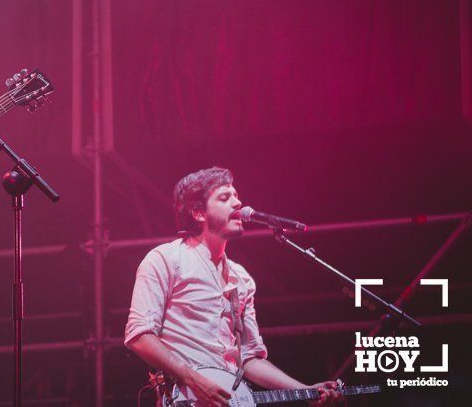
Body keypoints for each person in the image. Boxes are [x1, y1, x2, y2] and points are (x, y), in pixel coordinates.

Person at [125, 167, 342, 406]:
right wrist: (194, 379)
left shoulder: (241, 278)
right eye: (225, 197)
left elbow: (249, 359)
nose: (238, 203)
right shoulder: (165, 259)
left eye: (237, 196)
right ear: (198, 212)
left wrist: (306, 390)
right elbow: (139, 336)